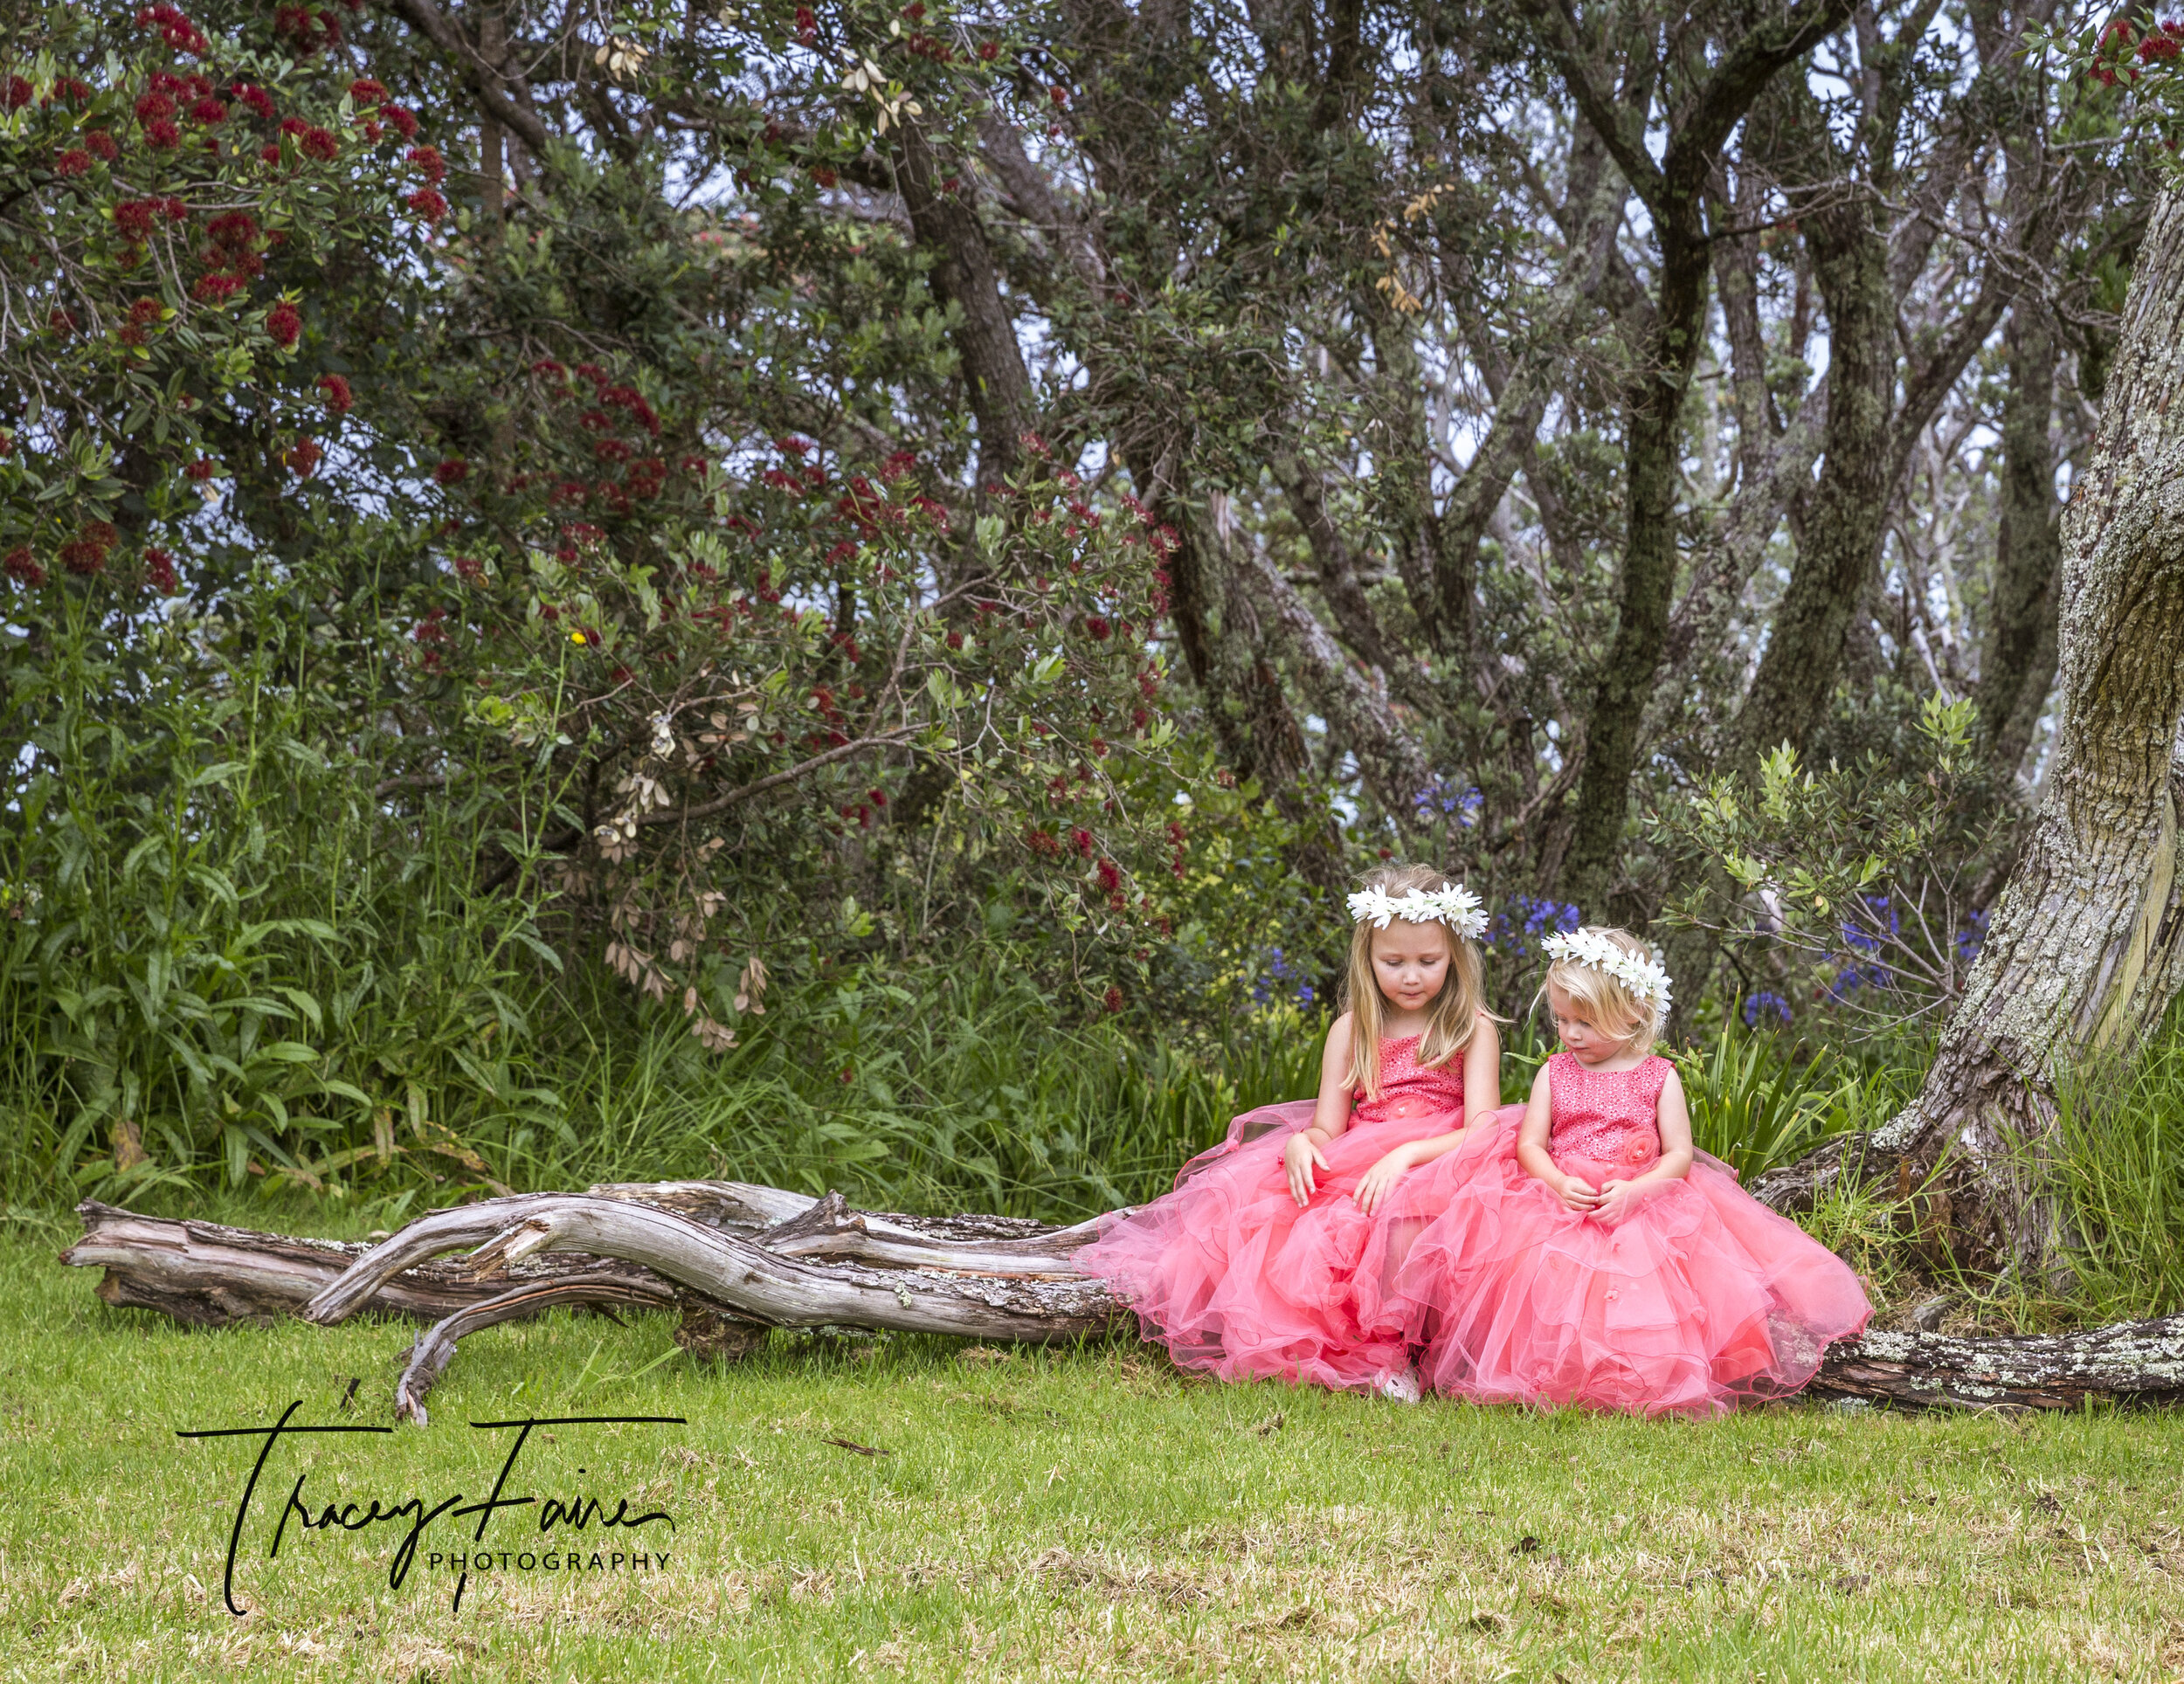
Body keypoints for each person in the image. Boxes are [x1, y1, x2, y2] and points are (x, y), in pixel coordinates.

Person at [1074, 864, 1523, 1399]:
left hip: (1444, 1157)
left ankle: (1411, 1352)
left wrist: (1408, 1156)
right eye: (1393, 962)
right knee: (1299, 1224)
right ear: (1366, 959)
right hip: (1361, 1153)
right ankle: (1376, 1351)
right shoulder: (1352, 1029)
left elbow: (1483, 1129)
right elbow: (1327, 1129)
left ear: (1455, 957)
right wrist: (1300, 1143)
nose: (1411, 976)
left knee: (1406, 1218)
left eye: (1429, 962)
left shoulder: (1471, 1028)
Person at [1388, 927, 1871, 1417]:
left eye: (1586, 1022)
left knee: (1641, 1294)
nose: (1572, 1033)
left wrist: (1638, 1191)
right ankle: (1557, 1374)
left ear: (1634, 1013)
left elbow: (1679, 1156)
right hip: (1562, 1201)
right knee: (1552, 1290)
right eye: (1562, 1020)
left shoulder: (1658, 1076)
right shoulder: (1554, 1072)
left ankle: (1635, 1375)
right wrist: (1556, 1181)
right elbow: (1529, 1144)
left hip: (1640, 1201)